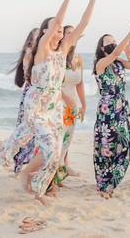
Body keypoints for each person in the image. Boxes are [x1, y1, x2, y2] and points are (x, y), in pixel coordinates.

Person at [0, 0, 109, 203]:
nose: (59, 33)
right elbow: (59, 20)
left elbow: (84, 24)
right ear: (45, 32)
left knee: (56, 152)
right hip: (36, 104)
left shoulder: (64, 49)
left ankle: (29, 176)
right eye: (54, 30)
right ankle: (33, 183)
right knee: (49, 147)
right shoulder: (42, 50)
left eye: (60, 31)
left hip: (53, 105)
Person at [93, 19, 130, 198]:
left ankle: (113, 179)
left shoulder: (119, 62)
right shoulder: (101, 63)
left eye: (114, 40)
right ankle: (104, 185)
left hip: (122, 106)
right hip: (108, 108)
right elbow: (116, 52)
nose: (113, 43)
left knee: (127, 142)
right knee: (106, 145)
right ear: (102, 47)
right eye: (108, 41)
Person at [56, 25, 87, 182]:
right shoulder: (58, 55)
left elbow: (80, 83)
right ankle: (54, 174)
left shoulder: (79, 58)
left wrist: (84, 105)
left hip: (72, 105)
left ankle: (61, 171)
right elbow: (52, 83)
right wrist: (65, 99)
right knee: (58, 139)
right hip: (57, 103)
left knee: (67, 138)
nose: (72, 34)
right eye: (68, 32)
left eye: (74, 32)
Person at [8, 26, 39, 173]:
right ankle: (20, 163)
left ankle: (30, 164)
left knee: (35, 131)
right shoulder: (29, 52)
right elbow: (30, 75)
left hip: (38, 93)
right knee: (27, 129)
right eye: (37, 35)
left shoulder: (41, 52)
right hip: (32, 93)